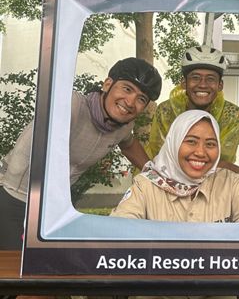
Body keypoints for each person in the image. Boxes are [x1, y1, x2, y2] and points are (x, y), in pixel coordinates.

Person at [0, 57, 162, 250]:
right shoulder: (72, 105)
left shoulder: (123, 126)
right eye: (127, 89)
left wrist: (158, 176)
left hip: (52, 207)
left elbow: (129, 145)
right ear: (107, 84)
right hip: (15, 195)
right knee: (14, 264)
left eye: (141, 99)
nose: (130, 102)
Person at [112, 109, 239, 224]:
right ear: (173, 143)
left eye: (210, 144)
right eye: (191, 141)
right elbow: (120, 233)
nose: (200, 152)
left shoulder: (230, 182)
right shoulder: (145, 185)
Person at [145, 45, 239, 175]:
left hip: (212, 177)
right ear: (184, 83)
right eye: (195, 78)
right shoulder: (166, 111)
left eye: (210, 79)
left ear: (220, 85)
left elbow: (224, 160)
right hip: (167, 176)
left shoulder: (231, 114)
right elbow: (161, 155)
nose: (202, 84)